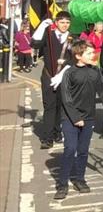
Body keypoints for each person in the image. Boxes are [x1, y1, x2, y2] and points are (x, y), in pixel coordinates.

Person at [54, 40, 103, 200]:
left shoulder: (95, 71)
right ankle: (62, 185)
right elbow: (66, 98)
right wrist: (76, 118)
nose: (93, 55)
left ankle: (79, 180)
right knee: (70, 149)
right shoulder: (69, 73)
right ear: (78, 56)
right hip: (70, 117)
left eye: (92, 52)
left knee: (83, 150)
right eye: (89, 53)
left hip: (88, 118)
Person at [31, 11, 74, 149]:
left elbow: (75, 58)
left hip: (65, 78)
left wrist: (62, 74)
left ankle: (57, 132)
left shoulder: (73, 38)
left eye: (67, 22)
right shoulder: (48, 36)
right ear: (56, 23)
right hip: (48, 76)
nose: (65, 25)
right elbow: (34, 44)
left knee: (61, 107)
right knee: (49, 107)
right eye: (62, 22)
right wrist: (42, 27)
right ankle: (47, 138)